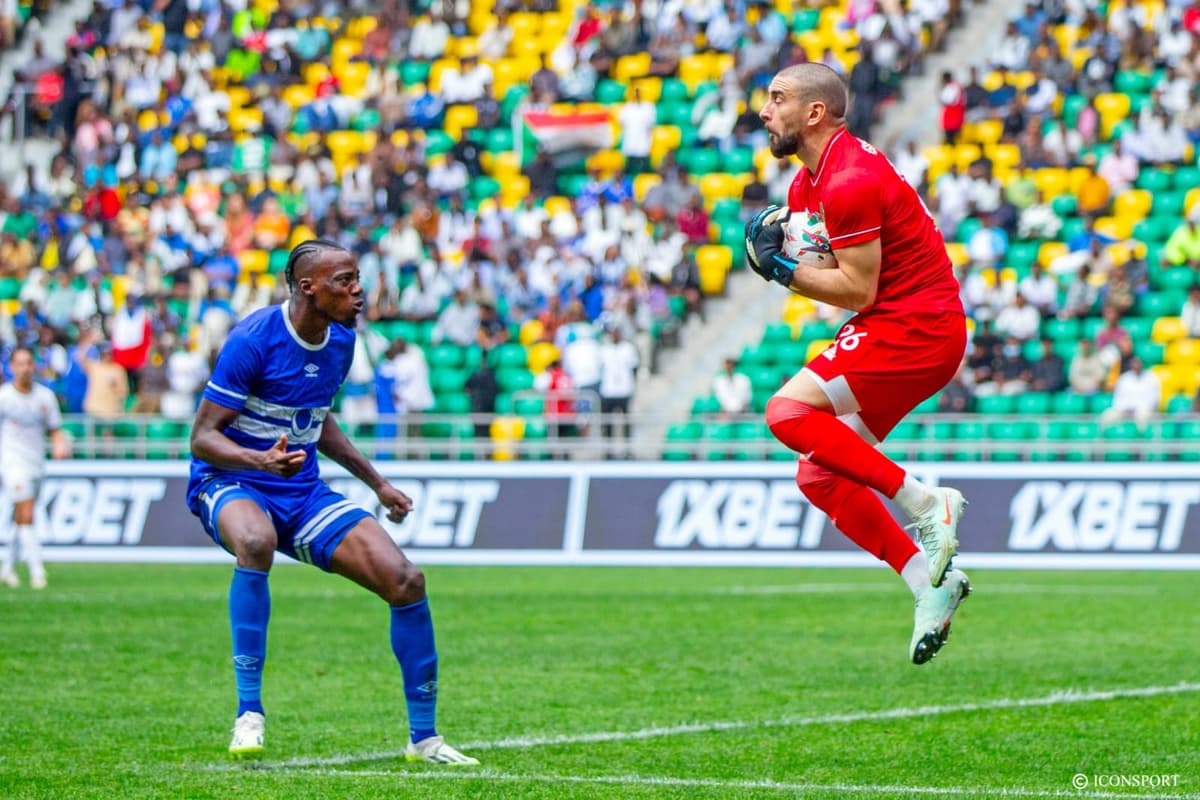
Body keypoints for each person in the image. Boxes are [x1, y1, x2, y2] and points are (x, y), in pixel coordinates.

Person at [186, 240, 476, 764]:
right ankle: (249, 714)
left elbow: (316, 422)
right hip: (230, 480)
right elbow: (203, 437)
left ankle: (424, 739)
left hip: (300, 490)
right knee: (255, 541)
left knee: (406, 580)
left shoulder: (342, 339)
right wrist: (260, 463)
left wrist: (377, 483)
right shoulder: (253, 338)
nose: (358, 289)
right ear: (308, 288)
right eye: (344, 280)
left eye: (357, 277)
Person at [750, 63, 970, 665]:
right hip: (899, 326)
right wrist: (789, 256)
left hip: (915, 328)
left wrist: (782, 269)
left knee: (786, 411)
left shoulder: (847, 180)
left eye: (777, 99)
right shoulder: (806, 186)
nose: (764, 111)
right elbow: (836, 277)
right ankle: (929, 583)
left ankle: (926, 503)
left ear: (814, 113)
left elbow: (857, 290)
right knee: (819, 476)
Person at [0, 348, 70, 590]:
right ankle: (37, 571)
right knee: (27, 513)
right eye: (20, 364)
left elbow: (55, 428)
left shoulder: (45, 397)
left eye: (29, 363)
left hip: (36, 463)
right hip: (11, 463)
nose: (25, 368)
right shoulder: (4, 397)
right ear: (11, 367)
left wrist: (60, 444)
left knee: (19, 516)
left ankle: (7, 567)